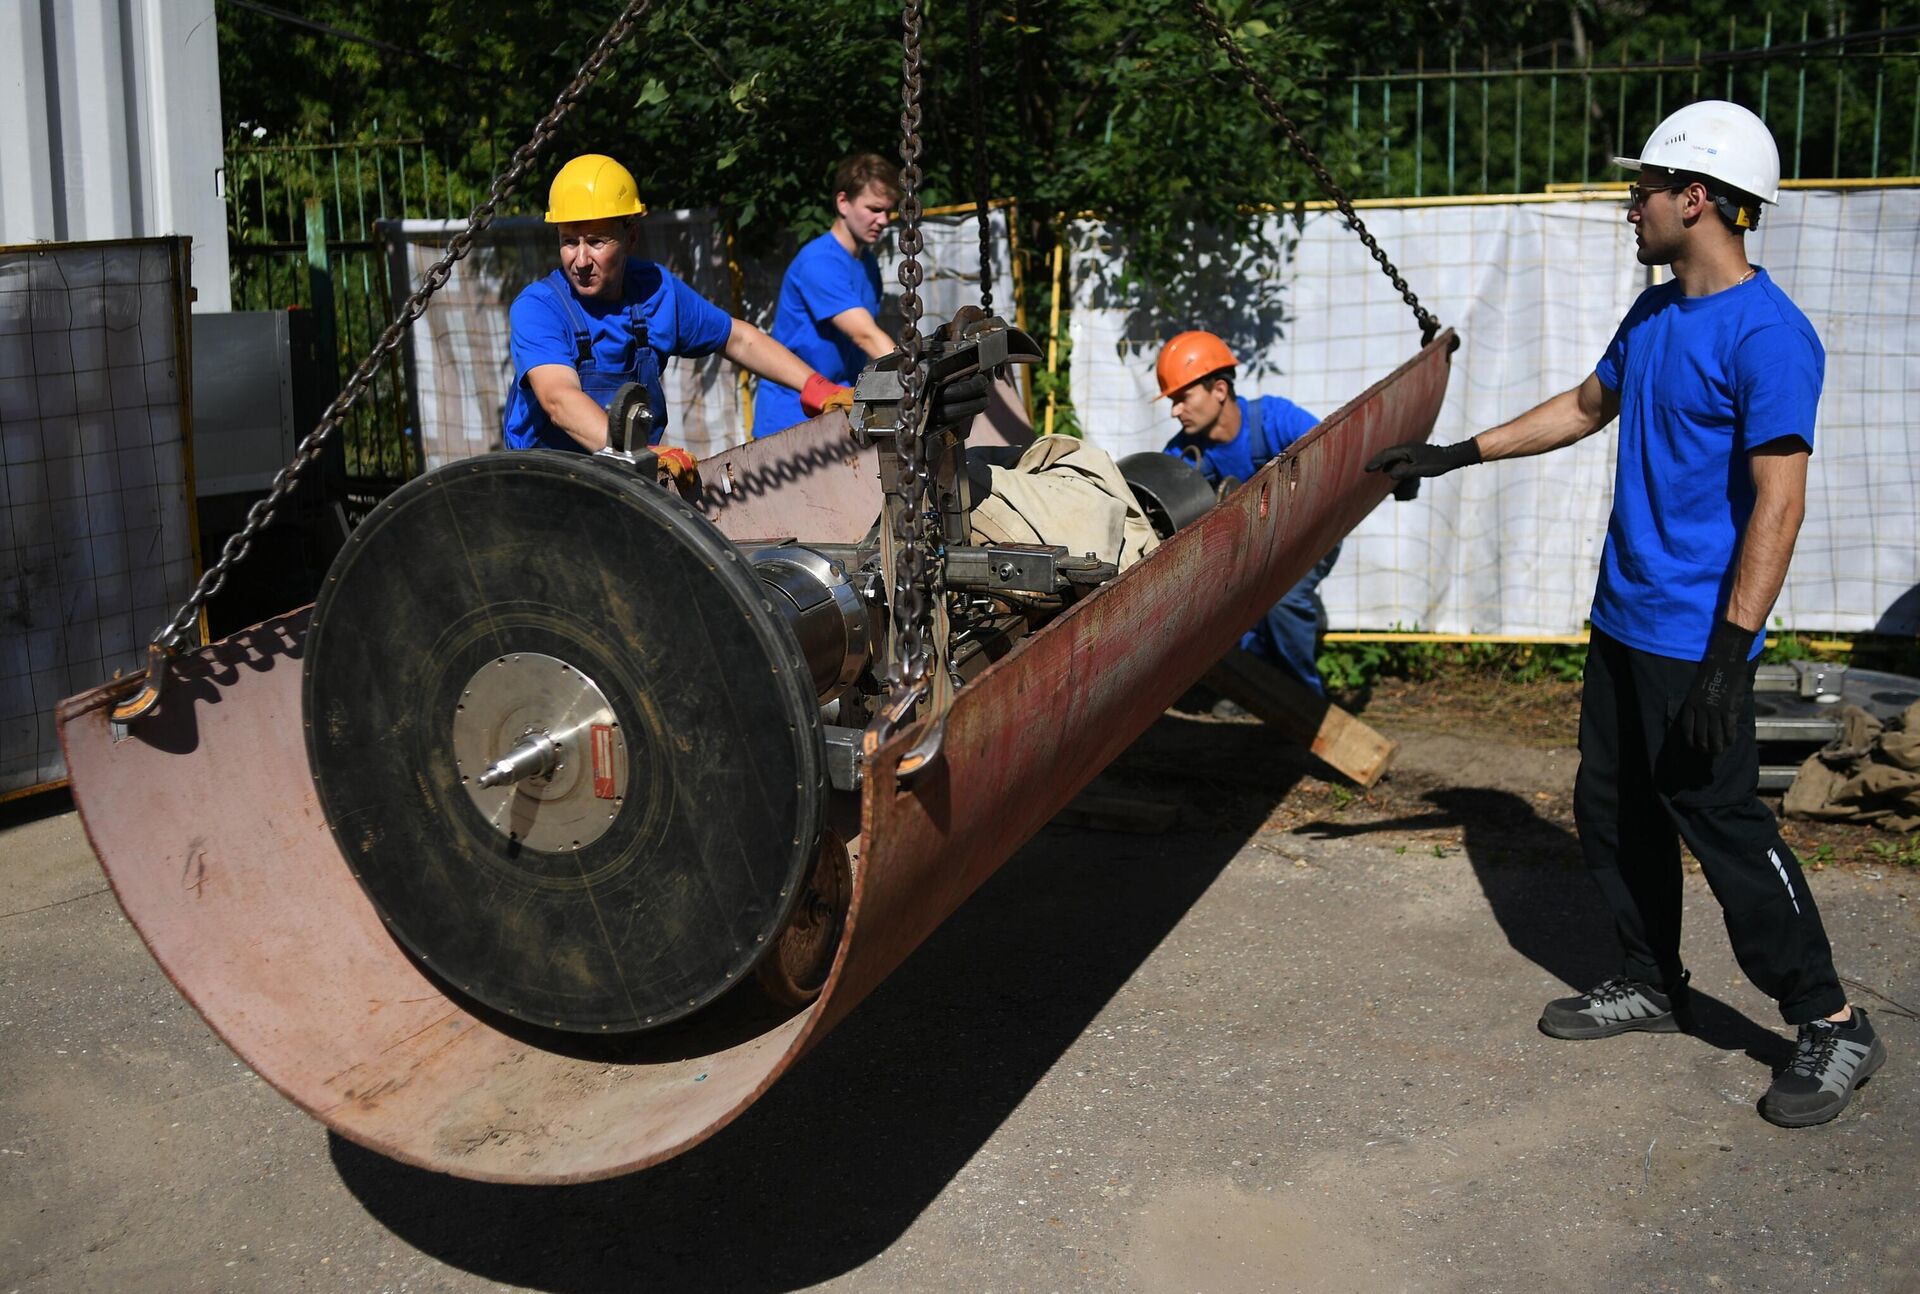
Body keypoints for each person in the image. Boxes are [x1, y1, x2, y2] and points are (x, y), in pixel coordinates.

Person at [1367, 100, 1886, 1127]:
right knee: (1613, 811)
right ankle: (1651, 979)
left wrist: (1729, 657)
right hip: (1623, 621)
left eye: (1641, 188)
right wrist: (1454, 454)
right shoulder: (1654, 317)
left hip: (1699, 641)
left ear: (1696, 199)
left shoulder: (1770, 335)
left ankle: (1831, 1020)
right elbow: (1582, 407)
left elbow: (1780, 503)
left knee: (1724, 825)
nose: (1628, 205)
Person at [504, 153, 851, 455]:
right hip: (544, 484)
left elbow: (737, 339)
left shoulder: (655, 291)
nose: (580, 260)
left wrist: (815, 385)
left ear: (631, 237)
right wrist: (640, 455)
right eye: (569, 242)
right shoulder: (539, 308)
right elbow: (559, 400)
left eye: (596, 242)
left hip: (624, 477)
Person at [1156, 330, 1336, 696]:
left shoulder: (1276, 419)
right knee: (1220, 602)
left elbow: (1331, 454)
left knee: (1284, 598)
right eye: (1172, 401)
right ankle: (1254, 689)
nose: (1175, 411)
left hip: (1311, 531)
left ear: (1219, 390)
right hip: (1244, 551)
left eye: (1182, 398)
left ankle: (1305, 699)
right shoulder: (1181, 455)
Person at [750, 153, 900, 439]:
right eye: (874, 209)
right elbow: (865, 336)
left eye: (888, 211)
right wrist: (913, 380)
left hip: (837, 409)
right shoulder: (819, 262)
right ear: (843, 202)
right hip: (791, 419)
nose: (883, 220)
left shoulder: (867, 264)